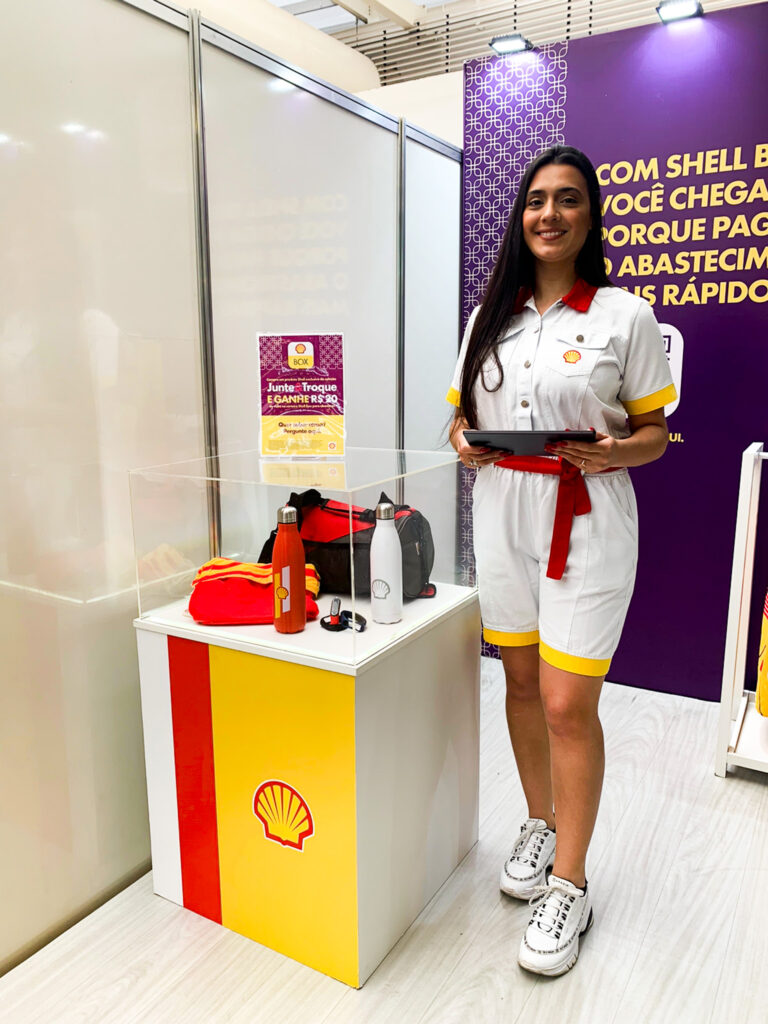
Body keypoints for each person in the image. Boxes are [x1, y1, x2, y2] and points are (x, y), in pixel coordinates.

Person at [447, 145, 676, 977]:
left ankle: (570, 884)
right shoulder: (489, 316)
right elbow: (459, 417)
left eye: (568, 199)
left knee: (566, 702)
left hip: (587, 515)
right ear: (521, 216)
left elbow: (654, 434)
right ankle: (540, 823)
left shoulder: (625, 315)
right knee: (516, 684)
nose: (550, 213)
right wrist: (464, 442)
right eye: (537, 200)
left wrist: (618, 451)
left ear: (590, 216)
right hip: (502, 511)